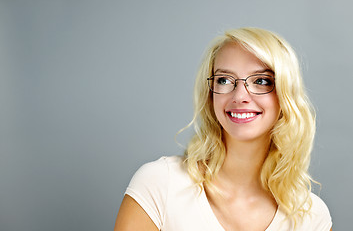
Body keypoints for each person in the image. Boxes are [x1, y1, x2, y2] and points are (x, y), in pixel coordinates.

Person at [114, 27, 332, 230]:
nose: (239, 96)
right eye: (225, 80)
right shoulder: (160, 184)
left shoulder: (311, 216)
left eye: (262, 81)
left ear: (285, 96)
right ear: (211, 95)